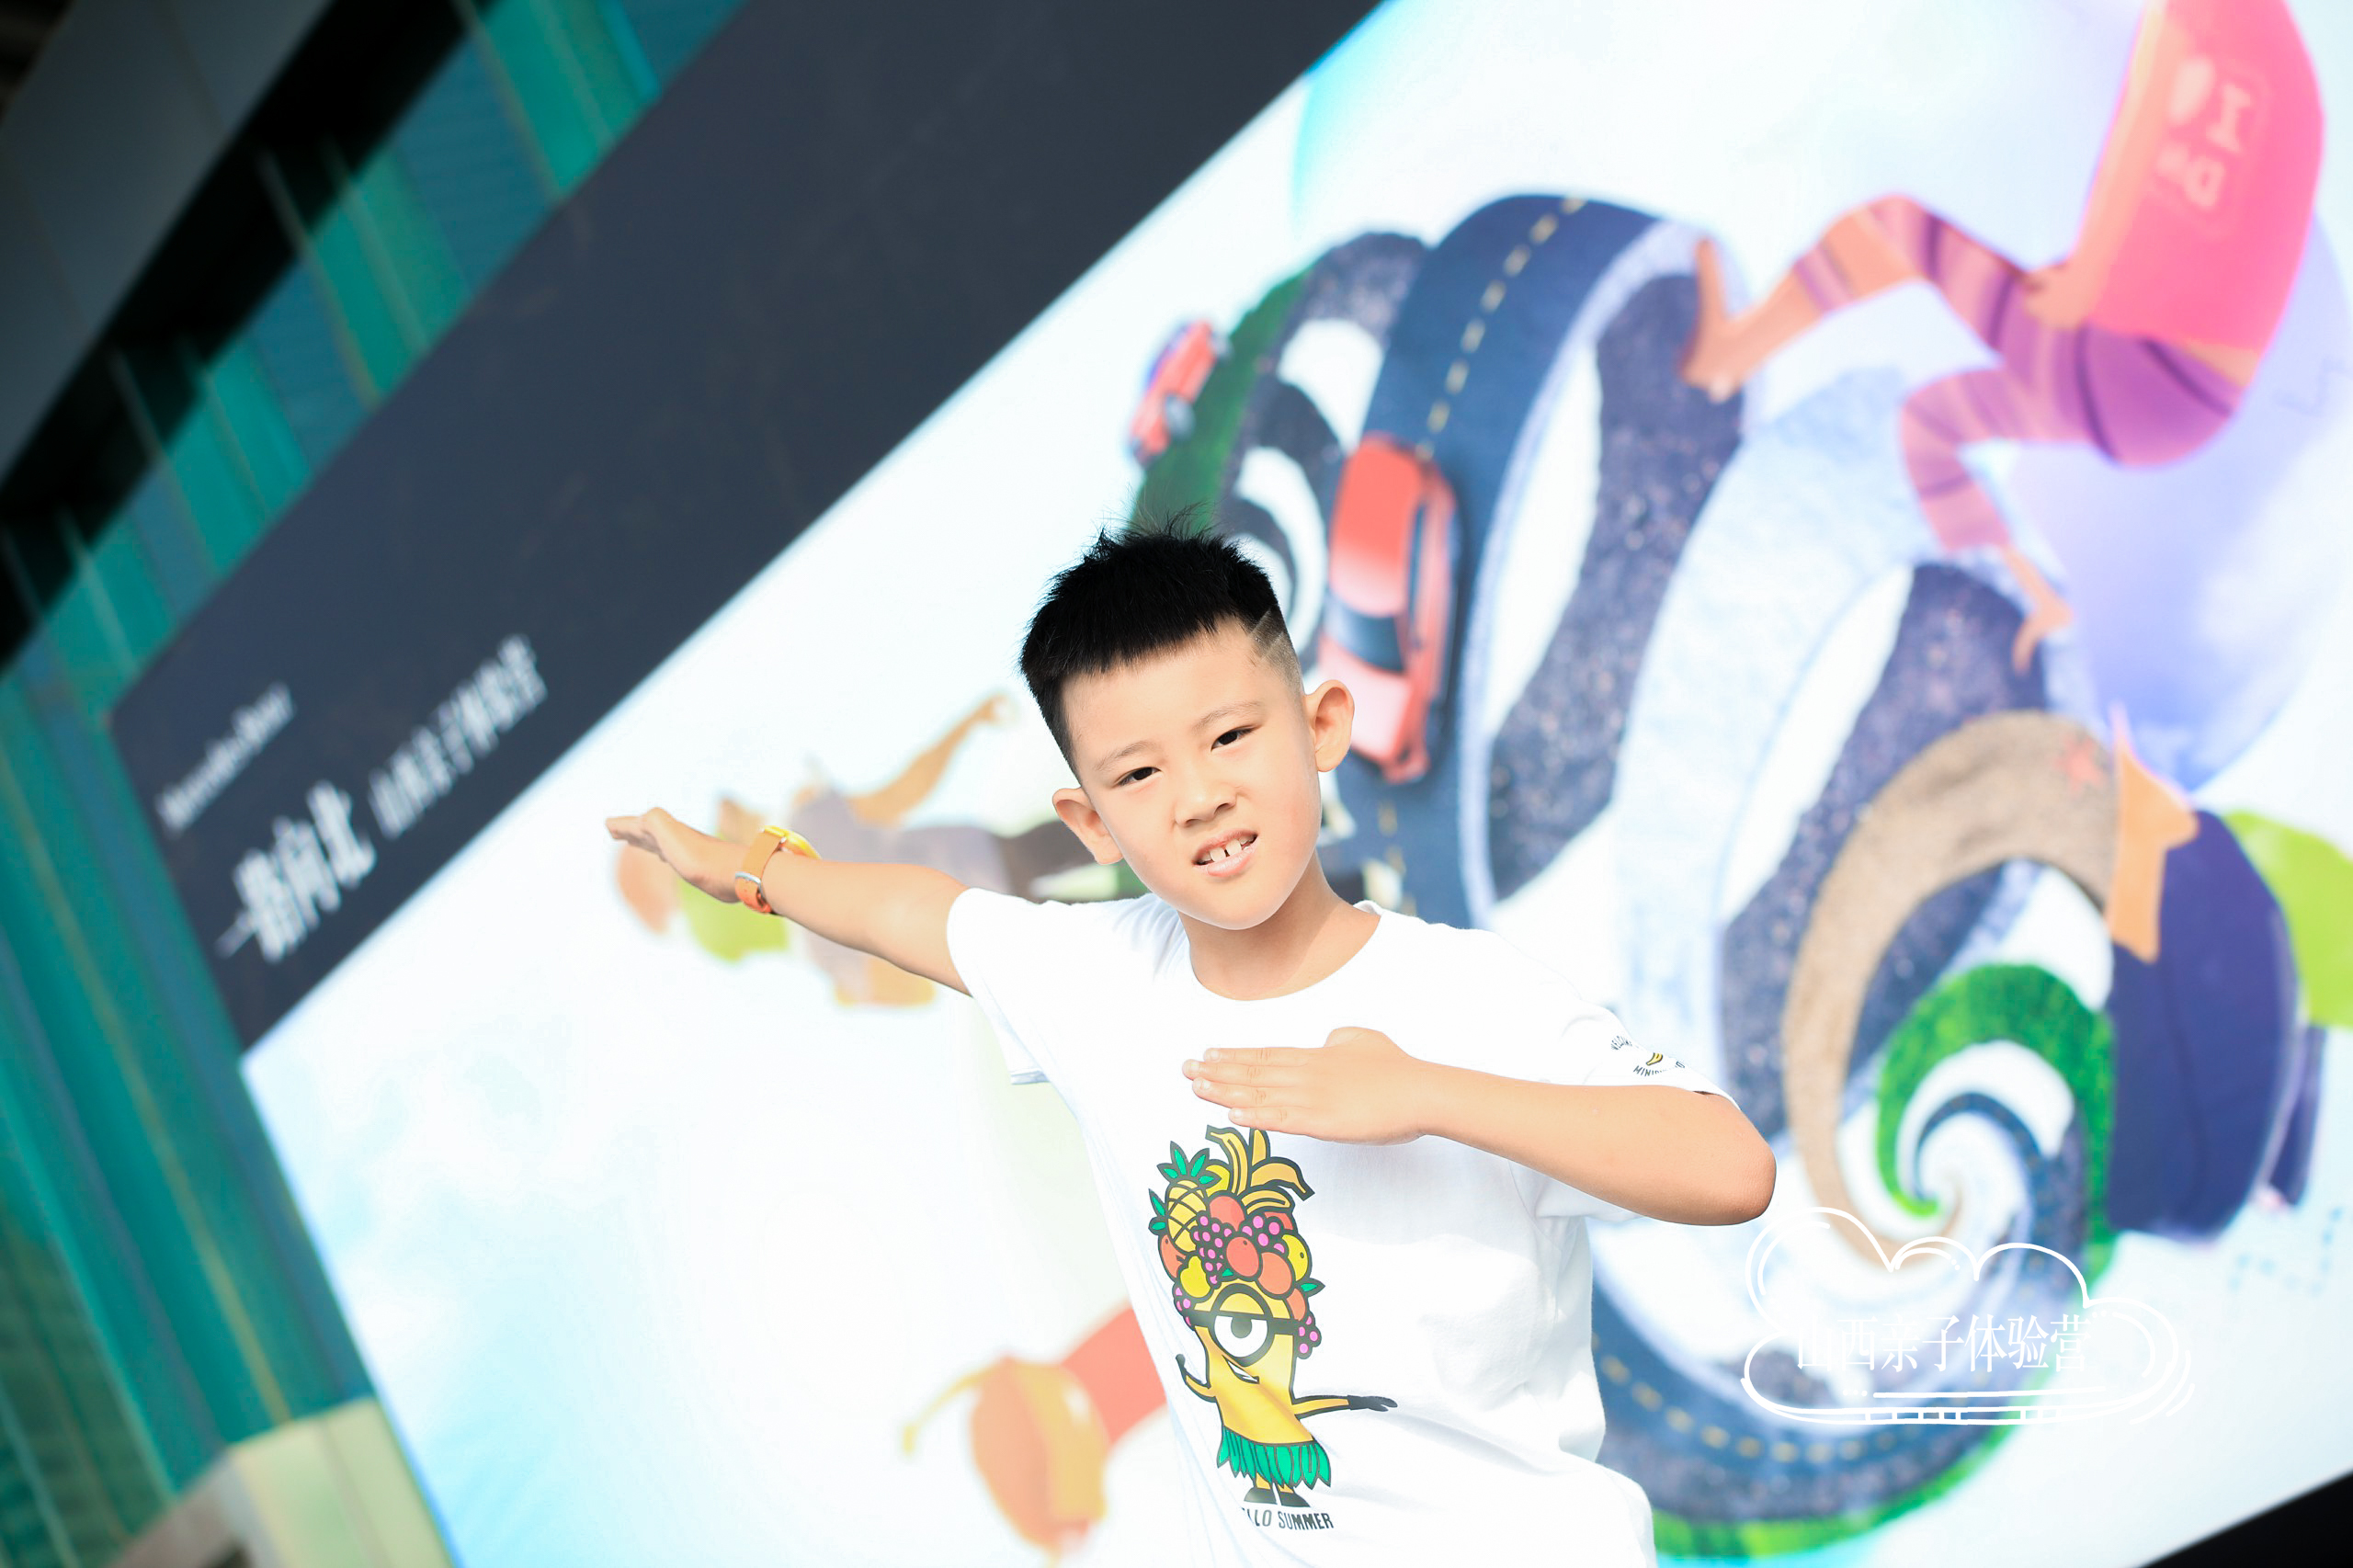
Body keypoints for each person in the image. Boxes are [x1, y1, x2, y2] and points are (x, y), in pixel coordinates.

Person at [607, 520, 1774, 1564]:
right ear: (1090, 821)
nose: (1198, 794)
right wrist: (747, 871)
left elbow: (1729, 1166)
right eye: (1139, 772)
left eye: (1229, 735)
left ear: (1320, 725)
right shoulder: (1097, 979)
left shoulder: (1462, 994)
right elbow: (910, 911)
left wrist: (1422, 1092)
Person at [1679, 0, 2322, 673]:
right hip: (2187, 403)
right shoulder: (2278, 56)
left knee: (1892, 232)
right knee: (1929, 422)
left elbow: (2138, 135)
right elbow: (2231, 214)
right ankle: (2036, 597)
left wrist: (2089, 278)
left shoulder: (2209, 11)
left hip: (2132, 364)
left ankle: (1731, 354)